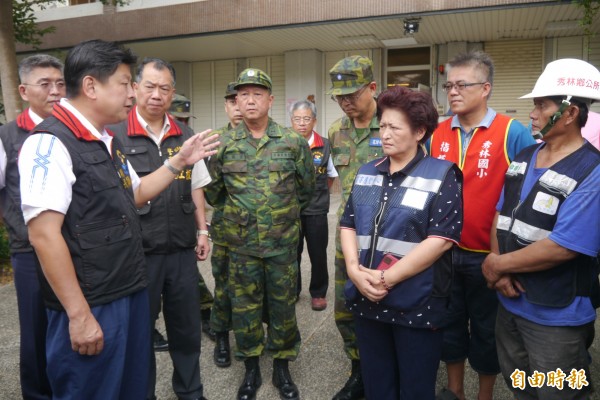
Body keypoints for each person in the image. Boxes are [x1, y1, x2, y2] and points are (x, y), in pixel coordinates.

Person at [17, 39, 217, 400]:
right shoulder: (49, 144)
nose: (133, 93)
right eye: (125, 83)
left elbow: (137, 192)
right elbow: (44, 236)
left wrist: (179, 161)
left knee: (131, 387)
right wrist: (78, 315)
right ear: (91, 86)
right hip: (92, 301)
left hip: (127, 288)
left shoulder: (105, 141)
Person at [482, 58, 600, 400]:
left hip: (556, 317)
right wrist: (497, 266)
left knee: (558, 394)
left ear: (569, 113)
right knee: (522, 386)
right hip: (511, 302)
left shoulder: (591, 170)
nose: (533, 114)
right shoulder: (524, 155)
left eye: (541, 105)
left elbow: (565, 245)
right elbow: (500, 215)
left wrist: (495, 266)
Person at [340, 85, 463, 400]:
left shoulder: (441, 174)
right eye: (382, 126)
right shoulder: (368, 172)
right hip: (368, 296)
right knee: (377, 384)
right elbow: (348, 223)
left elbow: (441, 239)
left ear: (419, 131)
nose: (385, 133)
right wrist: (354, 270)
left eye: (394, 127)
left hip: (416, 301)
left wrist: (385, 278)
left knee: (415, 388)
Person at [428, 50, 535, 400]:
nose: (453, 92)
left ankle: (484, 394)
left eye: (462, 84)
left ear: (485, 88)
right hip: (443, 252)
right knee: (450, 326)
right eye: (449, 85)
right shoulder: (438, 134)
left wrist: (507, 259)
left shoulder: (512, 133)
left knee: (488, 331)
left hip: (488, 257)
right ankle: (455, 390)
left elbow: (527, 197)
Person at [205, 68, 315, 400]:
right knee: (245, 308)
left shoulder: (293, 142)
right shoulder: (222, 144)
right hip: (242, 246)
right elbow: (214, 193)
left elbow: (306, 189)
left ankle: (282, 368)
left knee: (283, 306)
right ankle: (250, 369)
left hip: (281, 245)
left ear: (270, 99)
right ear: (235, 101)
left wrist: (279, 217)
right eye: (243, 95)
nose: (249, 100)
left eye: (257, 94)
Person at [110, 57, 211, 400]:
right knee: (140, 333)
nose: (157, 94)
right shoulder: (115, 135)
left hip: (181, 251)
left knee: (187, 329)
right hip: (139, 253)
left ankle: (190, 391)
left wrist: (202, 230)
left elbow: (196, 185)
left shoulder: (184, 134)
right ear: (135, 88)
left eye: (164, 88)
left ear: (173, 92)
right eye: (150, 86)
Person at [0, 54, 65, 400]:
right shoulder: (8, 136)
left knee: (72, 325)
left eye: (59, 83)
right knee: (37, 329)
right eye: (45, 84)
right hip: (30, 251)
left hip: (72, 246)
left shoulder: (71, 129)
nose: (55, 91)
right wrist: (16, 226)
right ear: (24, 90)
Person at [327, 55, 382, 400]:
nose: (346, 102)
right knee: (345, 308)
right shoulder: (336, 131)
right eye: (340, 96)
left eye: (352, 94)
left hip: (388, 236)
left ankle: (386, 369)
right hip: (346, 237)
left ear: (373, 88)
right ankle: (359, 370)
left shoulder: (394, 124)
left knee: (388, 304)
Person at [168, 92, 217, 344]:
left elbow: (196, 187)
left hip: (182, 220)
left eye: (186, 119)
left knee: (188, 273)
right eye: (178, 118)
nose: (183, 124)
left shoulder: (189, 139)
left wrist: (203, 230)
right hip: (148, 224)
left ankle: (205, 312)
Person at [206, 81, 242, 368]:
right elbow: (205, 189)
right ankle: (221, 337)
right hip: (227, 231)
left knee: (258, 290)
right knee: (224, 287)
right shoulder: (213, 141)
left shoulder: (270, 136)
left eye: (241, 99)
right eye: (232, 102)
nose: (238, 107)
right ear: (226, 105)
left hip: (260, 233)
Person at [290, 99, 337, 310]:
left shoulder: (325, 145)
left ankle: (318, 293)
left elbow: (330, 177)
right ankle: (292, 290)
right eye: (297, 119)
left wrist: (317, 195)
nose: (302, 123)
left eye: (306, 119)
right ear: (291, 121)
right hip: (290, 210)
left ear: (314, 121)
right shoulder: (284, 143)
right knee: (292, 252)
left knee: (318, 253)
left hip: (317, 209)